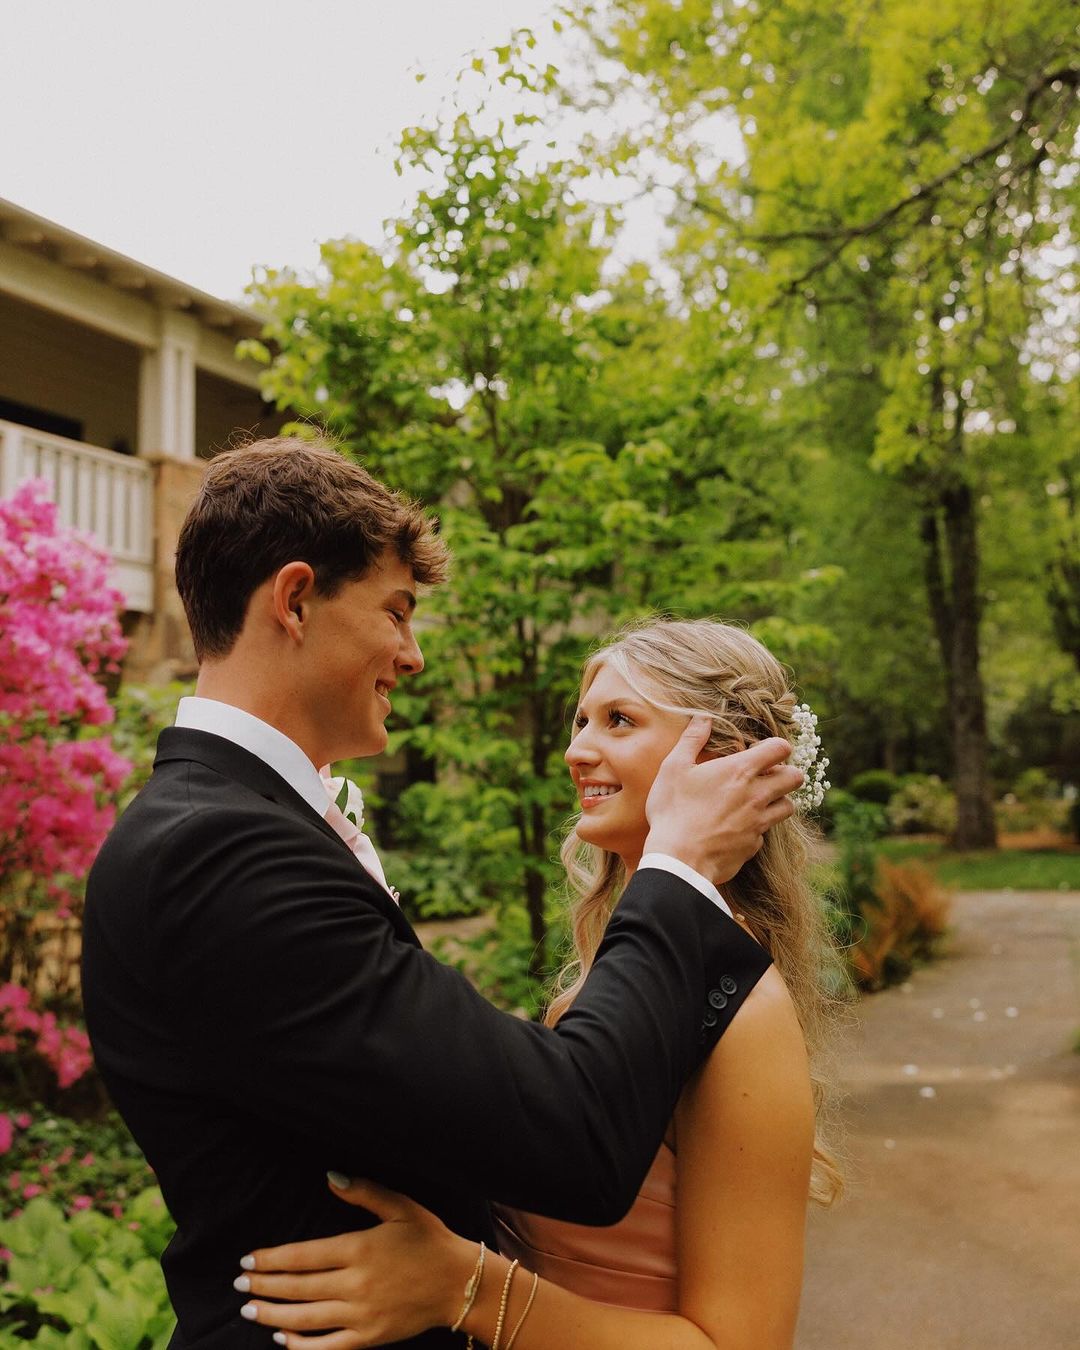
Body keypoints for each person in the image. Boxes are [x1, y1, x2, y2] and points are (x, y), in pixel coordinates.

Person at [81, 439, 804, 1350]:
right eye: (397, 611)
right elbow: (567, 1131)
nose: (413, 655)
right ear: (295, 600)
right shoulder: (219, 850)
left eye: (619, 720)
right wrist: (678, 865)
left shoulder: (234, 828)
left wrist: (465, 1287)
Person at [234, 619, 845, 1350]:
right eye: (582, 721)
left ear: (719, 761)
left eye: (620, 721)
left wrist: (461, 1287)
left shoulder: (743, 1013)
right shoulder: (605, 987)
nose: (577, 750)